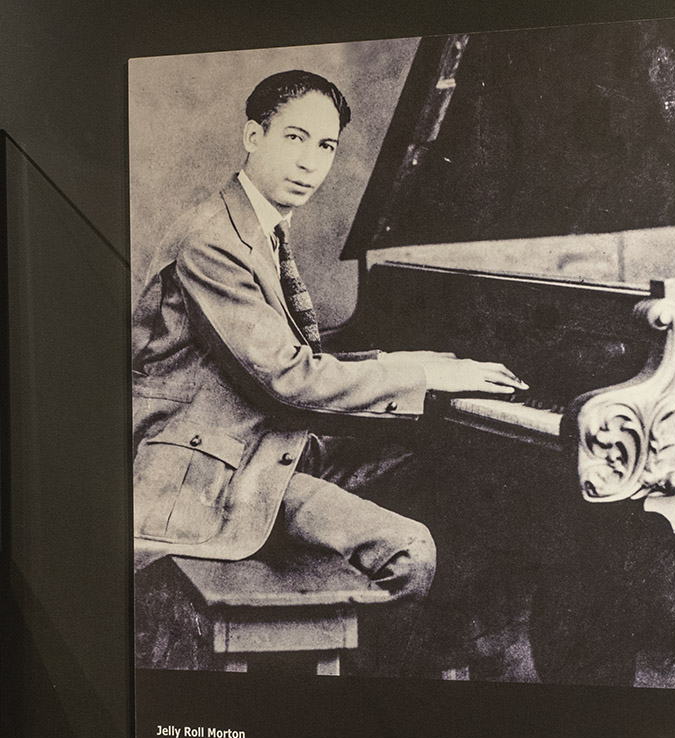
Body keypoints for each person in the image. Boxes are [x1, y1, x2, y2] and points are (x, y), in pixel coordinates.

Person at [131, 70, 527, 669]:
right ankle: (376, 691)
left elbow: (297, 365)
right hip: (211, 475)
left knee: (448, 462)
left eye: (326, 147)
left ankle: (438, 662)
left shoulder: (259, 229)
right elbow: (290, 379)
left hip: (263, 446)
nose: (310, 163)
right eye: (294, 138)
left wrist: (418, 368)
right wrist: (419, 372)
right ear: (252, 136)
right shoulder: (212, 239)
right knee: (410, 550)